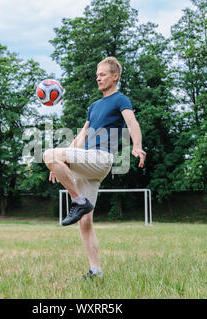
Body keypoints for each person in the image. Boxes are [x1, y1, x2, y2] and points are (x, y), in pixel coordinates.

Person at [42, 57, 146, 280]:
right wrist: (59, 162)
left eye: (103, 74)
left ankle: (77, 200)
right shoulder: (94, 106)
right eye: (97, 74)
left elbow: (132, 123)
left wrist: (137, 146)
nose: (97, 77)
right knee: (85, 221)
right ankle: (95, 271)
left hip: (101, 158)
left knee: (47, 153)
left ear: (115, 76)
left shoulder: (120, 99)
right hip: (88, 162)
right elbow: (81, 137)